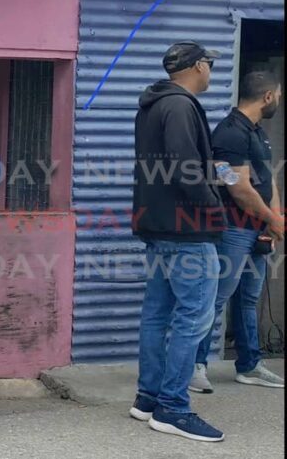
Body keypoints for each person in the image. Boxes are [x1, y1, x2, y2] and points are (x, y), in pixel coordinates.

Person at [130, 41, 227, 443]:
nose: (210, 72)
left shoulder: (152, 105)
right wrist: (213, 207)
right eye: (209, 65)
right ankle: (172, 407)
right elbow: (183, 168)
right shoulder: (181, 105)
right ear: (197, 66)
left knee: (158, 314)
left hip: (158, 227)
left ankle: (148, 398)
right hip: (187, 231)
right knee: (194, 318)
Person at [191, 71, 284, 393]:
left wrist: (275, 218)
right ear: (268, 97)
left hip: (257, 229)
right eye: (279, 94)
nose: (279, 100)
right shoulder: (230, 133)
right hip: (233, 229)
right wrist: (271, 219)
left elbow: (266, 178)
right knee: (215, 299)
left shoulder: (258, 133)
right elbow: (238, 187)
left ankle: (249, 366)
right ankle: (195, 365)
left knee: (248, 300)